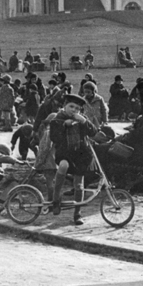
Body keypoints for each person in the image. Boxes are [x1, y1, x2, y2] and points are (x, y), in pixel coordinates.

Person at [47, 93, 101, 225]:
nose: (74, 110)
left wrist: (84, 121)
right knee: (63, 166)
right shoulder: (57, 119)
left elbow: (94, 132)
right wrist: (64, 125)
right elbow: (54, 138)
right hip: (64, 153)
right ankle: (56, 200)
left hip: (81, 154)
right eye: (71, 106)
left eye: (77, 108)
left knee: (79, 184)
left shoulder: (82, 119)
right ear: (64, 106)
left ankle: (77, 213)